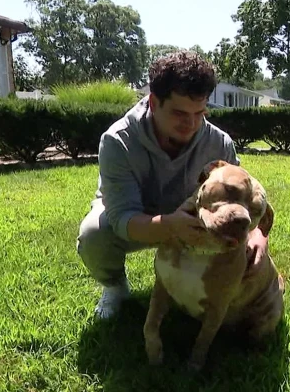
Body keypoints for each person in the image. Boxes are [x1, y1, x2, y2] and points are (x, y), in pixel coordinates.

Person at [76, 51, 270, 319]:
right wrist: (171, 226)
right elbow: (122, 218)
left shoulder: (220, 143)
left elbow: (243, 198)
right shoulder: (117, 140)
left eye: (199, 113)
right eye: (179, 113)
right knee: (93, 234)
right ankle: (115, 287)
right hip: (136, 216)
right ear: (154, 103)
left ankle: (192, 287)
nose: (190, 124)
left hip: (192, 219)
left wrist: (259, 235)